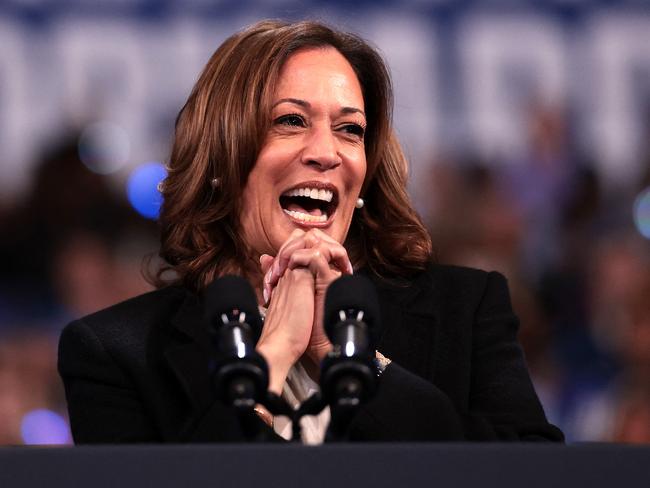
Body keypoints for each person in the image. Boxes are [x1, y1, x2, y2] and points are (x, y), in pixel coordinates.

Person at [58, 20, 563, 443]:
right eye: (291, 121)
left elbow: (528, 474)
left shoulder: (467, 308)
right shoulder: (113, 354)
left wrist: (350, 356)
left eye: (350, 130)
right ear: (221, 161)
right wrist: (271, 355)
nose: (326, 152)